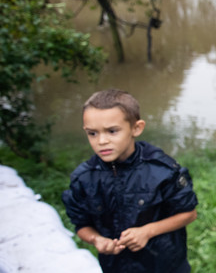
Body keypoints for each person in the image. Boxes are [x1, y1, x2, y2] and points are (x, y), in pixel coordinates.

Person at [62, 89, 198, 273]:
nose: (102, 141)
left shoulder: (163, 170)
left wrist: (147, 231)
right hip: (116, 266)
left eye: (112, 131)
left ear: (136, 128)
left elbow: (188, 214)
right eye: (92, 133)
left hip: (165, 265)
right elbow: (82, 224)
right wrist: (96, 240)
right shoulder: (84, 178)